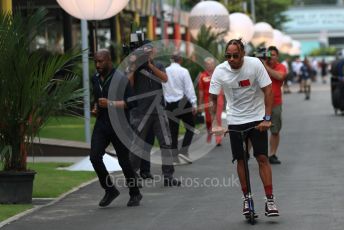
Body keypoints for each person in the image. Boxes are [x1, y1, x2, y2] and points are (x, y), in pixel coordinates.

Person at [209, 38, 279, 217]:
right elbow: (213, 98)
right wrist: (216, 123)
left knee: (262, 157)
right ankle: (247, 199)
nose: (231, 59)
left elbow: (268, 90)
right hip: (235, 119)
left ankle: (269, 200)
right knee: (241, 160)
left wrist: (267, 118)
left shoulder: (254, 64)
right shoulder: (220, 70)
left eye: (235, 55)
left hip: (257, 118)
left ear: (243, 55)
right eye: (228, 56)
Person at [90, 49, 142, 207]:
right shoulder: (95, 79)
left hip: (119, 124)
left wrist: (111, 104)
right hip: (102, 124)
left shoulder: (120, 78)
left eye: (101, 61)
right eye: (96, 62)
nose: (98, 65)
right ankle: (110, 190)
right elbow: (97, 99)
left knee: (124, 162)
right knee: (94, 157)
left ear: (109, 60)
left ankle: (135, 193)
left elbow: (132, 102)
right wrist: (95, 107)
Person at [128, 41, 181, 186]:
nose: (148, 54)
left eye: (150, 52)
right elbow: (128, 84)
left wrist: (150, 65)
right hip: (141, 112)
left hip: (159, 110)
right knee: (137, 145)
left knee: (166, 143)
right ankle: (132, 177)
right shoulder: (135, 67)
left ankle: (168, 176)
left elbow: (164, 78)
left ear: (154, 52)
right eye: (145, 52)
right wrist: (134, 66)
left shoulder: (158, 65)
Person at [163, 52, 197, 164]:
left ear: (170, 60)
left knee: (173, 130)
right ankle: (184, 151)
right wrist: (194, 103)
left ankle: (174, 156)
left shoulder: (165, 71)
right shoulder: (184, 71)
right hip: (182, 102)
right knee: (190, 126)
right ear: (180, 60)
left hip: (169, 104)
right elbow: (189, 88)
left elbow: (163, 89)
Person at [263, 46, 287, 164]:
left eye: (273, 55)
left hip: (276, 103)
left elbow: (280, 76)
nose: (271, 57)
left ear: (277, 56)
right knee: (256, 130)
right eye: (269, 54)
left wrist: (265, 67)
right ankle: (246, 153)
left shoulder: (281, 66)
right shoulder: (259, 67)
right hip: (260, 104)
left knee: (275, 131)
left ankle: (272, 154)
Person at [198, 57, 224, 146]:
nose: (209, 65)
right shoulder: (202, 76)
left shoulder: (218, 74)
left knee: (217, 118)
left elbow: (223, 86)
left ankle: (218, 139)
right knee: (209, 119)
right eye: (207, 64)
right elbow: (200, 91)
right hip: (207, 99)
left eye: (211, 64)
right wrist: (200, 103)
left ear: (214, 65)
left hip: (218, 98)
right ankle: (209, 133)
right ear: (205, 65)